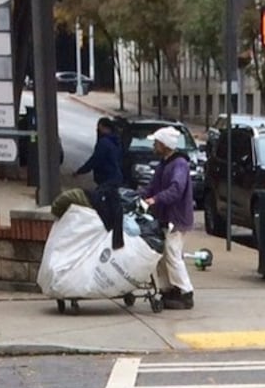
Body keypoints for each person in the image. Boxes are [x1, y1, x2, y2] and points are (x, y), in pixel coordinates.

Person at [139, 124, 196, 309]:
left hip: (176, 218)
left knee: (172, 253)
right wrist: (140, 195)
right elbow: (153, 186)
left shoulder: (179, 164)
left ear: (165, 144)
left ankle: (185, 292)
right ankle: (168, 288)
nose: (154, 146)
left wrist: (155, 199)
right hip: (166, 217)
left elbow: (176, 189)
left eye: (156, 143)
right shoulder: (164, 164)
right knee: (162, 254)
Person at [74, 118, 125, 236]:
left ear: (104, 127)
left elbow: (95, 160)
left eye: (99, 127)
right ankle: (112, 229)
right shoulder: (116, 142)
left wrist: (80, 171)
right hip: (114, 177)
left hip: (107, 178)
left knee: (98, 201)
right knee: (111, 204)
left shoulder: (104, 143)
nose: (97, 130)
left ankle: (108, 229)